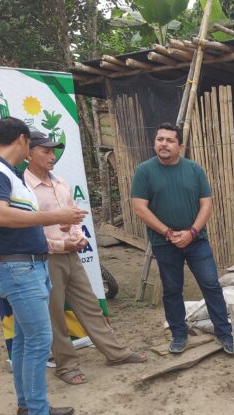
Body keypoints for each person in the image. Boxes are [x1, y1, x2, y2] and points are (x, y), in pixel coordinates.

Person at [0, 117, 86, 415]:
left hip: (25, 267)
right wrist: (56, 217)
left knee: (23, 342)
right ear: (22, 140)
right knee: (38, 343)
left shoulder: (1, 172)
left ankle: (28, 407)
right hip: (19, 270)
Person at [25, 131, 147, 385]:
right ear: (29, 153)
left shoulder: (61, 184)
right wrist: (61, 243)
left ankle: (115, 353)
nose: (52, 156)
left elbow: (75, 217)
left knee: (89, 305)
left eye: (53, 151)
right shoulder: (24, 189)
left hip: (71, 254)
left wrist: (79, 238)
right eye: (45, 151)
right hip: (45, 259)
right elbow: (28, 231)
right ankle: (66, 365)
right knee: (55, 313)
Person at [131, 122, 233, 354]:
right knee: (172, 289)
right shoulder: (144, 171)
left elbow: (206, 205)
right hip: (163, 242)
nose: (163, 144)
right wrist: (168, 232)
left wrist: (192, 233)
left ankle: (225, 333)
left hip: (196, 240)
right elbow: (139, 208)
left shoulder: (194, 170)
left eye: (169, 140)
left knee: (211, 285)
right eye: (160, 139)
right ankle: (179, 334)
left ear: (180, 146)